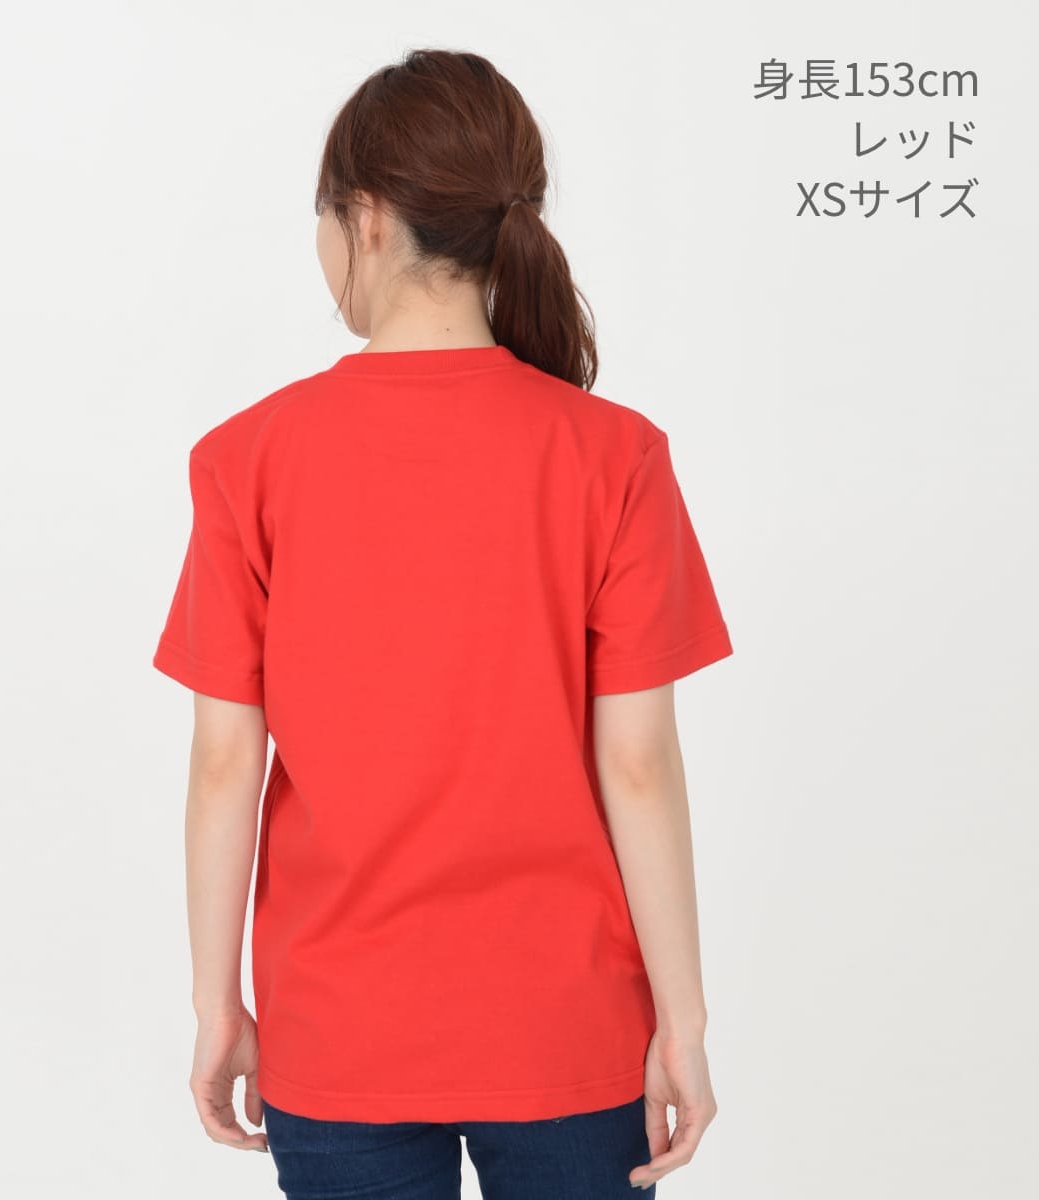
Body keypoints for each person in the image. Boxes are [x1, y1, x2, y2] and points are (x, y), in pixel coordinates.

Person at [152, 48, 734, 1199]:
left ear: (366, 216)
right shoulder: (613, 455)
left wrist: (219, 1005)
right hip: (567, 1026)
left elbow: (226, 763)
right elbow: (638, 764)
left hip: (339, 1028)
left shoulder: (248, 459)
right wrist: (683, 1020)